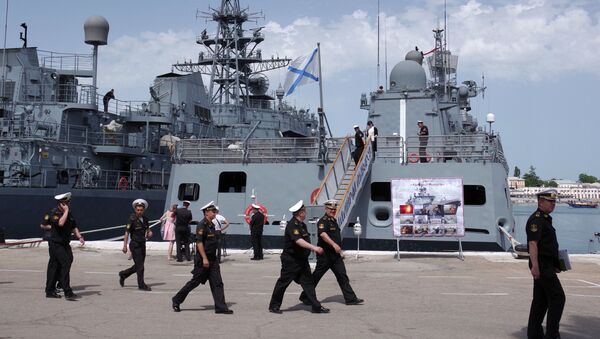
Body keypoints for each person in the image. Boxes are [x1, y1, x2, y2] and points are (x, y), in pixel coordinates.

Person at [172, 201, 233, 314]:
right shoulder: (201, 225)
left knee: (217, 282)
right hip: (203, 259)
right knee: (195, 282)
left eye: (215, 211)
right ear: (206, 212)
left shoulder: (212, 225)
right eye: (213, 211)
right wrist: (204, 258)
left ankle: (221, 307)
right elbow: (199, 243)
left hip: (212, 259)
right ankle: (176, 300)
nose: (215, 213)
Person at [268, 200, 329, 314]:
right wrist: (314, 248)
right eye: (304, 211)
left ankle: (316, 306)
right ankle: (274, 306)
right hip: (291, 261)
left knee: (308, 283)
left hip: (302, 260)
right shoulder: (292, 225)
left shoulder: (302, 225)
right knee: (283, 282)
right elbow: (299, 241)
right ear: (300, 213)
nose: (305, 213)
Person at [299, 200, 364, 306]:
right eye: (330, 209)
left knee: (342, 275)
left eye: (334, 209)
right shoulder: (322, 221)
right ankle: (305, 296)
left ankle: (350, 298)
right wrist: (334, 244)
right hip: (325, 256)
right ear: (326, 209)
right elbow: (323, 234)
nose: (333, 211)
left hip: (335, 256)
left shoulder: (333, 220)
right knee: (316, 276)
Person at [526, 189, 565, 339]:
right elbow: (533, 243)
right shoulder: (536, 220)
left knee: (540, 301)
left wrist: (557, 263)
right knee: (558, 298)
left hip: (547, 264)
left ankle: (534, 334)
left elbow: (546, 245)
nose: (553, 204)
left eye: (555, 202)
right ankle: (552, 334)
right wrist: (535, 266)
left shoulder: (545, 218)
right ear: (540, 201)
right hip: (542, 266)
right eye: (550, 201)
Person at [42, 192, 85, 300]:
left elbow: (73, 227)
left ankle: (50, 290)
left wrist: (79, 236)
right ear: (61, 203)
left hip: (65, 243)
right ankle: (67, 291)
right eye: (66, 203)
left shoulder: (69, 214)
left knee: (57, 264)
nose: (68, 204)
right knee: (64, 262)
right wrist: (66, 211)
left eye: (68, 202)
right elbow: (60, 223)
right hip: (56, 243)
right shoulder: (54, 213)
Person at [119, 199, 153, 291]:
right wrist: (125, 246)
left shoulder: (145, 219)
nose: (139, 211)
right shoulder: (132, 219)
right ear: (135, 210)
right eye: (138, 210)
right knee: (140, 267)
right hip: (135, 245)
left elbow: (148, 230)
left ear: (144, 210)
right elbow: (126, 233)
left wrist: (150, 233)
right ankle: (141, 285)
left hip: (142, 244)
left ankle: (123, 274)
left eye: (141, 210)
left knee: (138, 265)